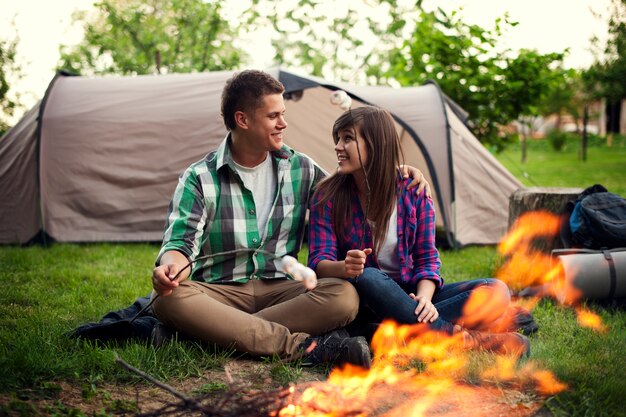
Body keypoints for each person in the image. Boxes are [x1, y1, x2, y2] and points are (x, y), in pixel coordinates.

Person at [150, 70, 427, 369]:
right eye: (273, 116)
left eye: (283, 114)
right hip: (219, 292)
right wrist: (172, 269)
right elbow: (181, 241)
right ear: (243, 120)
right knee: (166, 298)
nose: (283, 123)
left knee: (344, 295)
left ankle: (202, 335)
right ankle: (307, 348)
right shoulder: (199, 178)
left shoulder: (302, 168)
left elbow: (351, 184)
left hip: (283, 291)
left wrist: (395, 170)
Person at [308, 105, 531, 357]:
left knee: (496, 290)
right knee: (368, 275)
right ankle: (466, 340)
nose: (338, 146)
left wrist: (425, 298)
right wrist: (345, 267)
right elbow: (318, 262)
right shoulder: (327, 196)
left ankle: (394, 331)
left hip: (411, 295)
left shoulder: (413, 191)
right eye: (337, 138)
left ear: (376, 143)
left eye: (348, 138)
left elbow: (427, 258)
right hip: (363, 301)